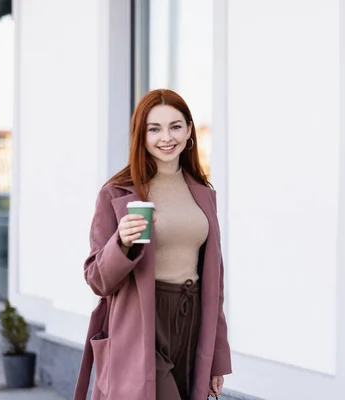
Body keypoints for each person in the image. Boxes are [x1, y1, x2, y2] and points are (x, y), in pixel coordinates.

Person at [74, 89, 232, 400]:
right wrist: (121, 242)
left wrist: (217, 358)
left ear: (189, 131)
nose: (166, 137)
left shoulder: (202, 193)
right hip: (142, 320)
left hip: (193, 318)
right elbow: (96, 279)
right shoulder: (117, 193)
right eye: (154, 128)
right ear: (141, 135)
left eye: (175, 126)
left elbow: (217, 282)